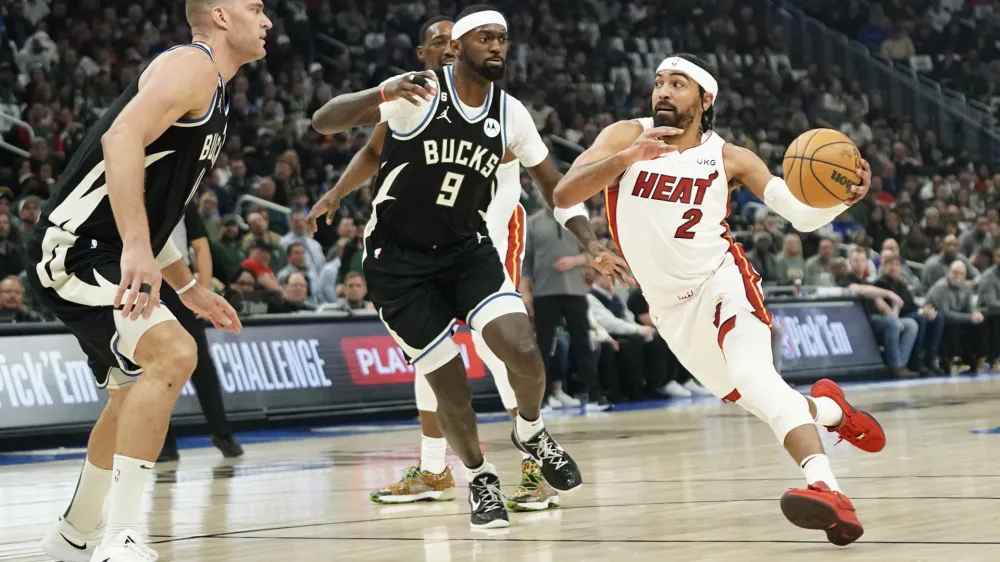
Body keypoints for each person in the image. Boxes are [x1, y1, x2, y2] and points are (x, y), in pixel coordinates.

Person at [309, 7, 626, 528]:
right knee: (450, 386)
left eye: (503, 38)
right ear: (457, 47)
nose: (498, 46)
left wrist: (590, 242)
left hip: (468, 251)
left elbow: (557, 187)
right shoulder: (417, 96)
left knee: (521, 344)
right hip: (399, 265)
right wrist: (380, 95)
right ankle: (477, 478)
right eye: (486, 38)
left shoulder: (512, 113)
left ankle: (531, 433)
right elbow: (326, 121)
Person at [552, 53, 886, 546]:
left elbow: (802, 216)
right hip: (669, 309)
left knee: (756, 376)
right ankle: (834, 413)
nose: (662, 91)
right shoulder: (625, 136)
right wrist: (627, 161)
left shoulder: (730, 157)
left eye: (678, 84)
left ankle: (828, 489)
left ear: (705, 99)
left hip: (721, 282)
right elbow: (563, 194)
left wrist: (844, 198)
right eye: (659, 82)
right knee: (765, 402)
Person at [29, 2, 266, 560]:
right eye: (255, 7)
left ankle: (73, 536)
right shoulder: (194, 64)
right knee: (173, 353)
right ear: (220, 16)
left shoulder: (216, 92)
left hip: (105, 247)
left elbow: (154, 211)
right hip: (78, 249)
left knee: (129, 394)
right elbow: (120, 138)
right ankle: (125, 537)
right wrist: (134, 247)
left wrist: (187, 287)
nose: (268, 19)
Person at [158, 202, 244, 463]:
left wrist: (203, 290)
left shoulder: (182, 196)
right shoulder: (126, 190)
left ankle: (222, 432)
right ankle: (163, 442)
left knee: (201, 363)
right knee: (155, 367)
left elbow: (201, 245)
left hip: (179, 284)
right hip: (143, 281)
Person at [840, 247, 917, 378]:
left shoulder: (867, 281)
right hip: (860, 321)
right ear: (849, 262)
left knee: (911, 324)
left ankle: (901, 364)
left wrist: (893, 316)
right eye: (855, 260)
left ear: (866, 263)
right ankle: (895, 366)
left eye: (862, 260)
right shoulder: (847, 280)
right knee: (892, 324)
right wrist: (889, 293)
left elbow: (879, 302)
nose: (859, 263)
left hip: (875, 318)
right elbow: (860, 290)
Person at [876, 249, 943, 374]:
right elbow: (894, 307)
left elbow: (910, 303)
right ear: (884, 266)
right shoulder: (880, 283)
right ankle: (915, 361)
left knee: (937, 317)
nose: (894, 268)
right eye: (890, 264)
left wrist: (923, 310)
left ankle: (930, 358)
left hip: (906, 314)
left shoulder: (900, 283)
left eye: (896, 265)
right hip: (893, 317)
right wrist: (920, 313)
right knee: (919, 319)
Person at [926, 260, 987, 373]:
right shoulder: (941, 287)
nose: (958, 276)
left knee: (981, 321)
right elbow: (946, 313)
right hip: (936, 321)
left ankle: (979, 358)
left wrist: (976, 314)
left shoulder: (966, 287)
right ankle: (951, 359)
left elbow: (970, 308)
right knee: (953, 324)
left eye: (961, 274)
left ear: (965, 275)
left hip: (957, 318)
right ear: (949, 273)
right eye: (955, 273)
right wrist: (970, 318)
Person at [978, 247, 1000, 369]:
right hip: (986, 311)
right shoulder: (989, 276)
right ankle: (992, 357)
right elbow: (990, 302)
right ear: (996, 258)